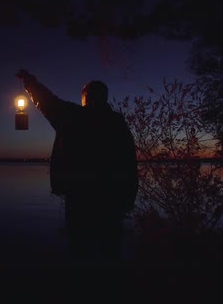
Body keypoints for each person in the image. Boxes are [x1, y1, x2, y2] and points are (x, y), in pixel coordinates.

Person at [15, 69, 138, 267]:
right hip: (113, 201)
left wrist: (29, 81)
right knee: (111, 253)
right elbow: (130, 164)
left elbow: (47, 101)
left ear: (86, 97)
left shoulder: (73, 117)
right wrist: (128, 199)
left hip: (80, 199)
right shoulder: (118, 124)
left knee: (81, 254)